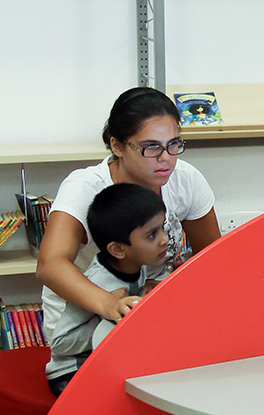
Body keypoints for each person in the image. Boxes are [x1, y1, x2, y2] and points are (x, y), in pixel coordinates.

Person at [38, 86, 220, 377]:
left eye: (173, 144)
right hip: (86, 319)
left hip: (152, 308)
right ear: (117, 146)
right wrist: (109, 303)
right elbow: (50, 265)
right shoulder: (86, 187)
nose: (166, 158)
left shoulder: (185, 179)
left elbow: (213, 259)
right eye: (151, 147)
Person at [45, 184, 169, 395]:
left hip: (103, 357)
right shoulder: (98, 283)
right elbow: (60, 343)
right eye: (152, 235)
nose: (164, 239)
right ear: (118, 249)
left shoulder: (137, 263)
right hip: (72, 372)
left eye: (162, 228)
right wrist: (108, 319)